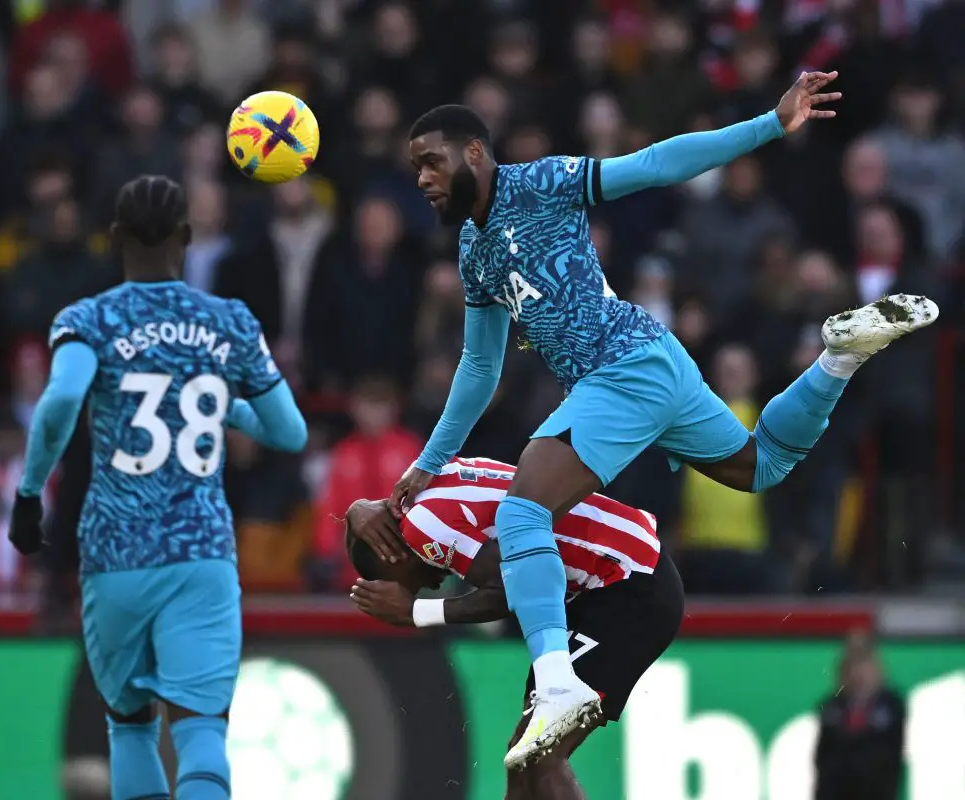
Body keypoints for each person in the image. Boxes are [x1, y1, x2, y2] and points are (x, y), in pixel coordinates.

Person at [384, 71, 939, 769]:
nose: (422, 179)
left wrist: (769, 123)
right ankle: (837, 360)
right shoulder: (473, 249)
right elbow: (479, 370)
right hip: (653, 364)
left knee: (522, 513)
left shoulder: (540, 183)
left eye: (430, 161)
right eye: (414, 169)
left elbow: (654, 166)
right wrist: (427, 464)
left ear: (472, 153)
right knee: (758, 464)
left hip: (623, 367)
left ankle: (557, 685)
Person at [7, 175, 308, 800]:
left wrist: (30, 492)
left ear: (114, 238)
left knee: (131, 727)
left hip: (115, 555)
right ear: (187, 238)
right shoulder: (228, 321)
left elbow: (62, 397)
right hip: (200, 551)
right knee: (200, 731)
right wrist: (225, 406)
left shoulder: (89, 319)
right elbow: (289, 431)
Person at [346, 456, 682, 800]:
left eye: (409, 585)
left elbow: (511, 590)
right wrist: (357, 509)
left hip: (628, 582)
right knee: (523, 754)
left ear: (393, 555)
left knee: (542, 757)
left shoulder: (423, 528)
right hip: (615, 572)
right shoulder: (422, 482)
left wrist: (416, 611)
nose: (431, 585)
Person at [813, 631, 905, 800]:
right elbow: (822, 759)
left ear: (876, 668)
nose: (858, 673)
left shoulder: (891, 707)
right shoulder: (831, 708)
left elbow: (888, 758)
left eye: (864, 664)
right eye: (852, 665)